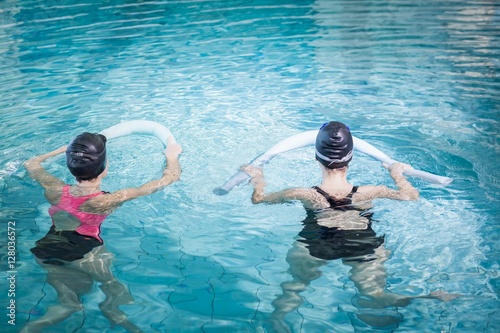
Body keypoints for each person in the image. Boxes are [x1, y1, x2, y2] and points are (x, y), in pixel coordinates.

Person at [243, 121, 457, 332]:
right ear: (351, 158)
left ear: (317, 158)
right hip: (362, 243)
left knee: (293, 289)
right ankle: (425, 299)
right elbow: (411, 197)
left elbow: (259, 199)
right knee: (375, 294)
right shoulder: (371, 191)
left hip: (316, 242)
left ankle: (276, 321)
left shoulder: (303, 193)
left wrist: (257, 177)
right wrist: (397, 175)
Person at [21, 132, 182, 333]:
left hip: (47, 247)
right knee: (113, 287)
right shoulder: (105, 201)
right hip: (85, 251)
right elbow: (170, 178)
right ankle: (112, 309)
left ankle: (28, 329)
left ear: (70, 165)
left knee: (69, 303)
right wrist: (172, 156)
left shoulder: (54, 189)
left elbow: (31, 163)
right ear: (104, 169)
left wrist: (64, 150)